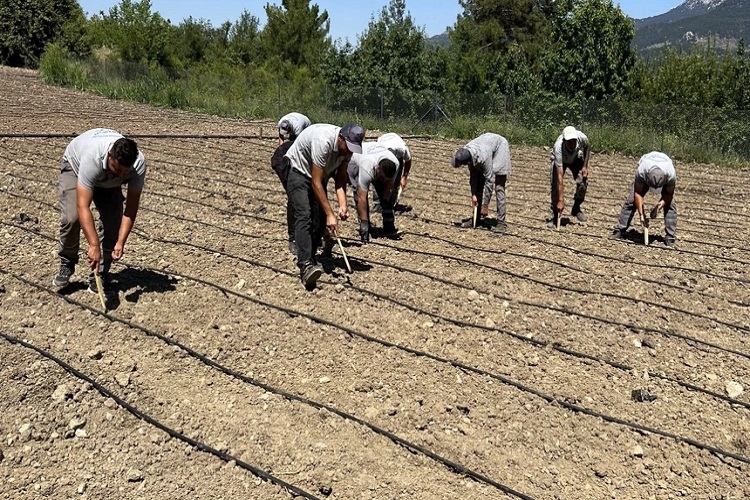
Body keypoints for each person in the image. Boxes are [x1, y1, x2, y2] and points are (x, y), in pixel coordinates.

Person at [53, 128, 146, 295]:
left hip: (105, 180)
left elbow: (131, 208)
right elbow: (83, 206)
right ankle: (67, 260)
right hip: (75, 166)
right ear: (110, 156)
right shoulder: (92, 158)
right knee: (71, 218)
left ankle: (100, 274)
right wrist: (93, 245)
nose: (121, 175)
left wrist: (121, 242)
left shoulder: (138, 164)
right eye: (117, 170)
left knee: (112, 222)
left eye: (125, 172)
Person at [285, 122, 364, 287]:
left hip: (318, 177)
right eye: (347, 146)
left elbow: (340, 178)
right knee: (304, 214)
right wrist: (330, 214)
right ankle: (305, 264)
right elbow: (315, 181)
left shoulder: (347, 150)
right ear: (341, 137)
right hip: (299, 172)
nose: (348, 151)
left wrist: (343, 205)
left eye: (352, 148)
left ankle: (311, 256)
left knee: (319, 220)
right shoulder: (323, 141)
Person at [610, 151, 677, 246]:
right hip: (647, 164)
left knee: (670, 205)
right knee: (631, 201)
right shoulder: (642, 171)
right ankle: (620, 230)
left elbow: (669, 194)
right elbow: (638, 193)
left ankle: (670, 237)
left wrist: (658, 207)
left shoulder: (670, 174)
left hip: (664, 165)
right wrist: (642, 215)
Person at [451, 133, 512, 234]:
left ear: (468, 162)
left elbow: (489, 181)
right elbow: (473, 178)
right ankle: (476, 218)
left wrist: (485, 205)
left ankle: (501, 223)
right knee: (478, 184)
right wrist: (474, 195)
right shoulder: (467, 151)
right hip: (486, 145)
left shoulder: (483, 158)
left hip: (500, 147)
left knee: (499, 187)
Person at [270, 112, 311, 254]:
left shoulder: (300, 127)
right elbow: (281, 139)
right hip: (281, 160)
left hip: (299, 143)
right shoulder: (282, 122)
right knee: (293, 199)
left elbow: (299, 144)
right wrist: (282, 149)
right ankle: (293, 238)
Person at [347, 144, 400, 242]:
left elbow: (389, 186)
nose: (384, 181)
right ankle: (365, 227)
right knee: (358, 192)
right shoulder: (367, 166)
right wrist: (364, 222)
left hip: (373, 152)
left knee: (386, 196)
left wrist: (385, 202)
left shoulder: (395, 163)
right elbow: (361, 197)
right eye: (382, 178)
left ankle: (388, 227)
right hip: (356, 159)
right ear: (378, 168)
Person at [548, 125, 590, 228]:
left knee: (583, 182)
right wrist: (561, 200)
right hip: (561, 160)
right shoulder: (558, 147)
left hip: (576, 159)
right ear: (564, 140)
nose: (572, 144)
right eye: (569, 141)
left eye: (573, 141)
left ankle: (576, 208)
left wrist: (585, 166)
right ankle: (556, 214)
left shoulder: (582, 137)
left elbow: (587, 147)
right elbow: (560, 176)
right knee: (555, 186)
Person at [371, 132, 412, 210]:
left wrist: (404, 177)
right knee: (377, 179)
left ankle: (391, 203)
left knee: (395, 181)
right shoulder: (378, 151)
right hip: (381, 154)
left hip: (396, 153)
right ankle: (378, 203)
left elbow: (408, 160)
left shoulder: (401, 149)